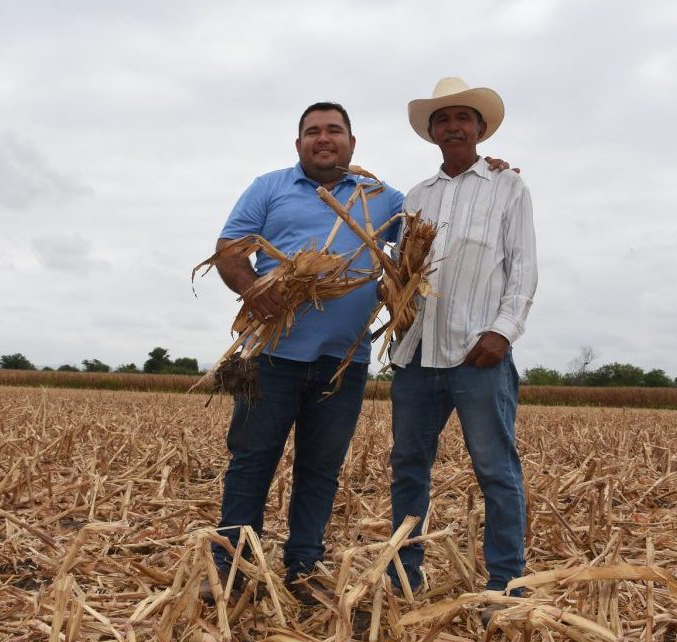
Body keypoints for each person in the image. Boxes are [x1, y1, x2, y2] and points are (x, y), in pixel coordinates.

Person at [205, 101, 512, 605]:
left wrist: (489, 172)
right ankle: (232, 567)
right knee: (252, 462)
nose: (323, 139)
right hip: (272, 359)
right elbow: (229, 249)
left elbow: (429, 230)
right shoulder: (269, 187)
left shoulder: (382, 198)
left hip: (341, 364)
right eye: (312, 132)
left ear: (351, 141)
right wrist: (253, 287)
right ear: (298, 142)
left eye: (333, 131)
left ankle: (303, 565)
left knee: (320, 468)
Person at [386, 78, 538, 607]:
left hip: (479, 353)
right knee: (407, 464)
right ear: (432, 133)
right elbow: (404, 271)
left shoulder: (508, 187)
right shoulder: (416, 196)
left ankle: (505, 582)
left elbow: (522, 266)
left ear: (479, 128)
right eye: (442, 120)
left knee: (495, 469)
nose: (452, 127)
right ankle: (403, 575)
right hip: (417, 355)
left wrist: (503, 331)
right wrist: (398, 312)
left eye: (462, 118)